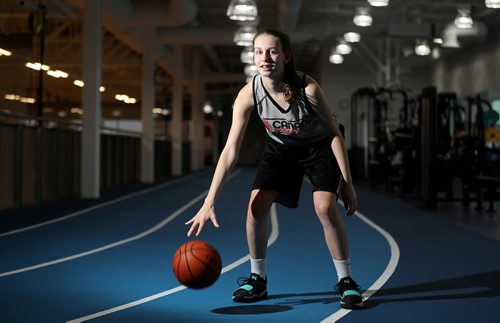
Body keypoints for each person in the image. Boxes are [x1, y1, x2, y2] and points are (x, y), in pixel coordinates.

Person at [186, 28, 364, 309]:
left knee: (324, 208)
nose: (265, 57)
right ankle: (258, 279)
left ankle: (347, 281)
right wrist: (210, 200)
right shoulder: (249, 93)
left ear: (286, 56)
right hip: (281, 149)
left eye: (272, 51)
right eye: (259, 51)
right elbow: (231, 149)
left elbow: (334, 135)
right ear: (253, 56)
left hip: (319, 147)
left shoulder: (308, 89)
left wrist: (348, 183)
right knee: (255, 207)